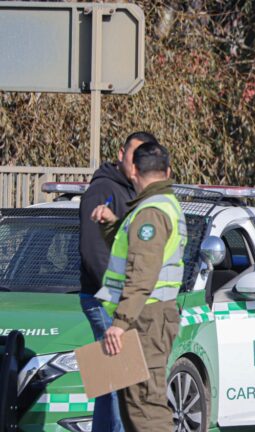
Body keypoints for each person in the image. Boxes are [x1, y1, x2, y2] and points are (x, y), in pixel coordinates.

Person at [91, 142, 187, 432]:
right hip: (145, 318)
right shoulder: (158, 206)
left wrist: (119, 324)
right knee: (132, 404)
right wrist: (113, 226)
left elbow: (141, 273)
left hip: (143, 320)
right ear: (168, 171)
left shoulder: (151, 211)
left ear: (133, 169)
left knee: (145, 408)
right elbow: (137, 253)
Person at [78, 131, 156, 432]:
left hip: (110, 297)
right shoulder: (105, 190)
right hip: (105, 299)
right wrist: (119, 296)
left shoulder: (128, 191)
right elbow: (93, 250)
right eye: (132, 156)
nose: (136, 164)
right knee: (122, 381)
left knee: (110, 382)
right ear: (121, 153)